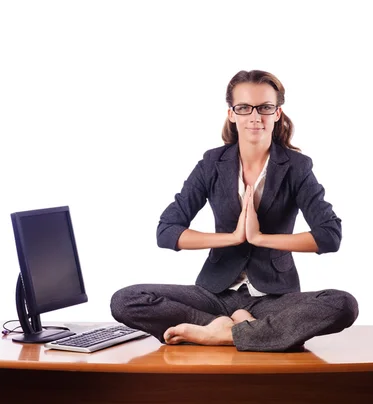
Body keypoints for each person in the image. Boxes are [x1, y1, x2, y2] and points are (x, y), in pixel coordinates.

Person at [110, 70, 358, 351]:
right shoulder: (211, 163)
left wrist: (260, 237)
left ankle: (222, 333)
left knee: (342, 304)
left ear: (277, 113)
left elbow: (329, 236)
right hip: (215, 294)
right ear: (231, 113)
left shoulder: (297, 167)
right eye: (244, 108)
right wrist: (233, 237)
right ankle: (238, 328)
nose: (255, 117)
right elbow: (167, 232)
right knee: (125, 299)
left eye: (265, 108)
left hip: (274, 298)